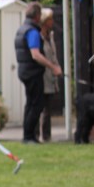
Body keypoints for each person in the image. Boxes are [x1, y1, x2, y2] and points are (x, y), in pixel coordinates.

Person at [15, 2, 62, 145]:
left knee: (30, 104)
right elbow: (35, 54)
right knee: (37, 104)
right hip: (32, 72)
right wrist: (52, 66)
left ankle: (28, 136)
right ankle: (29, 136)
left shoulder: (22, 29)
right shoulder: (33, 32)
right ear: (37, 16)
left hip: (24, 70)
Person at [38, 8, 61, 142]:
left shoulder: (50, 36)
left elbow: (53, 55)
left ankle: (47, 135)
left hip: (51, 75)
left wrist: (57, 68)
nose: (52, 21)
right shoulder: (38, 37)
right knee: (41, 107)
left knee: (48, 107)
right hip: (42, 76)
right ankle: (39, 135)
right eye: (50, 19)